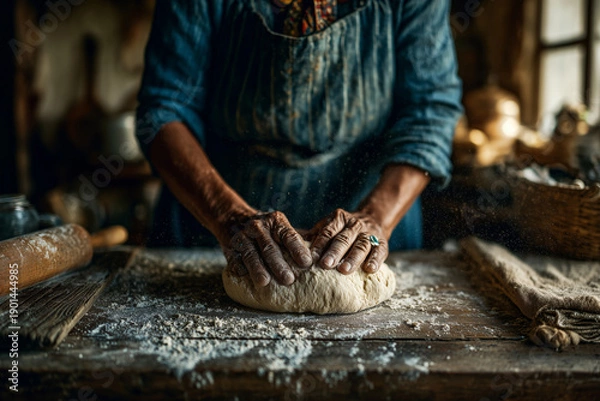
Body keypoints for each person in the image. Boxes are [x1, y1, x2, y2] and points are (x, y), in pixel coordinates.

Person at [136, 0, 462, 288]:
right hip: (212, 223)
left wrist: (375, 217)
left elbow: (429, 110)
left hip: (372, 217)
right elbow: (163, 110)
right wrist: (228, 217)